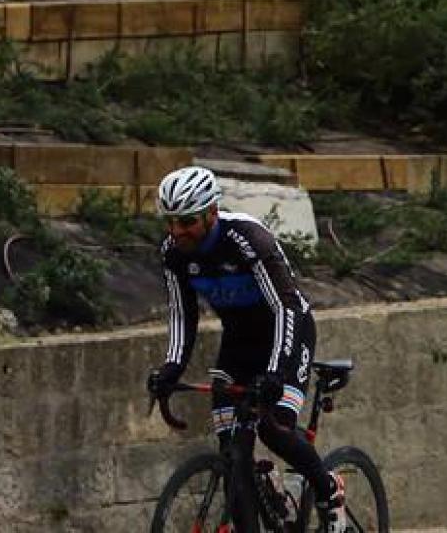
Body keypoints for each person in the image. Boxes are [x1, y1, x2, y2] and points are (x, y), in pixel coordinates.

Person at [145, 166, 346, 530]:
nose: (177, 231)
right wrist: (171, 367)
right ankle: (265, 500)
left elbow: (285, 307)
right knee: (232, 452)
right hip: (239, 340)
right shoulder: (174, 253)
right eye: (170, 222)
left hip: (287, 331)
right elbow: (182, 314)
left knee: (273, 426)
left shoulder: (248, 238)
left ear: (211, 212)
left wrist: (275, 373)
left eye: (187, 221)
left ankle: (328, 489)